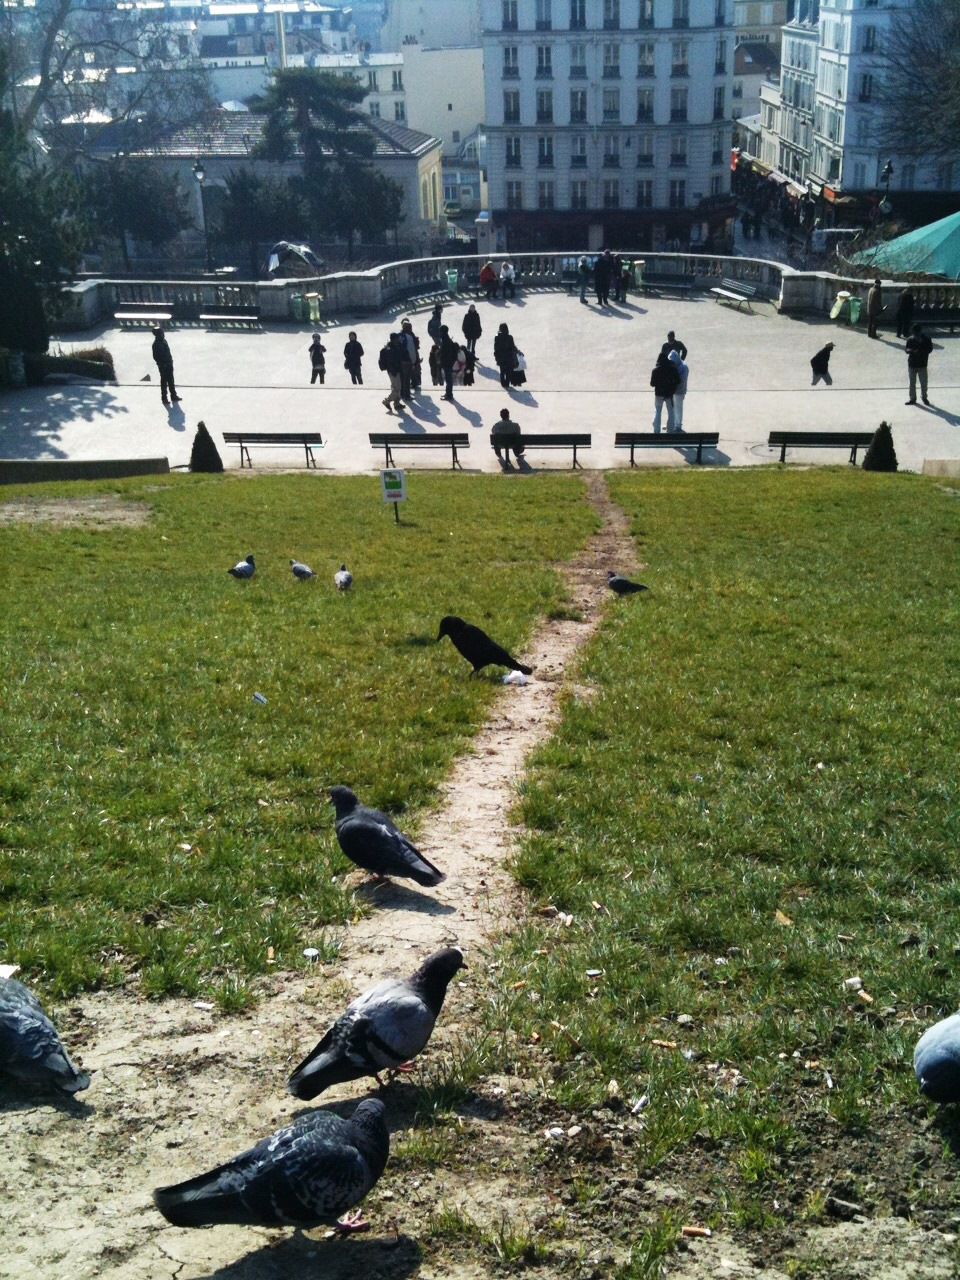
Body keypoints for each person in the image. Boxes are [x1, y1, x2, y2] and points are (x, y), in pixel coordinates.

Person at [650, 351, 680, 431]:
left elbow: (652, 384)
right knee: (671, 412)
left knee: (658, 411)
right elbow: (678, 381)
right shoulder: (672, 369)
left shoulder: (655, 371)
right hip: (669, 394)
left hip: (659, 394)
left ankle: (656, 430)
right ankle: (670, 430)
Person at [151, 327, 180, 406]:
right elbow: (156, 356)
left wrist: (170, 361)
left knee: (171, 380)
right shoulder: (156, 344)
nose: (163, 334)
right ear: (158, 334)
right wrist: (162, 364)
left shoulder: (163, 341)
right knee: (164, 381)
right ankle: (164, 398)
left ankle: (173, 395)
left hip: (169, 364)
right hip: (163, 366)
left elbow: (167, 352)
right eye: (161, 333)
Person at [905, 325, 933, 405]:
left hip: (922, 364)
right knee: (912, 383)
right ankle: (913, 398)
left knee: (924, 383)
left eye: (916, 333)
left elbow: (930, 349)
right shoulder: (910, 339)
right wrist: (912, 351)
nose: (915, 335)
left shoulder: (927, 339)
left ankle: (924, 397)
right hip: (912, 364)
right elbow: (906, 349)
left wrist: (921, 351)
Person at [379, 332, 405, 413]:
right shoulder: (389, 349)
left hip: (397, 370)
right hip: (393, 371)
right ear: (393, 339)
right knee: (396, 388)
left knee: (398, 387)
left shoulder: (396, 346)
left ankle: (397, 404)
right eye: (397, 338)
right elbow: (390, 362)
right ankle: (387, 401)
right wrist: (394, 371)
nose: (398, 339)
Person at [399, 318, 420, 399]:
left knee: (402, 378)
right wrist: (414, 361)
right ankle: (407, 395)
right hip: (408, 360)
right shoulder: (409, 337)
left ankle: (402, 393)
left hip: (400, 361)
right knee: (407, 378)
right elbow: (412, 350)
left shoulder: (399, 335)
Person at [667, 348, 689, 426]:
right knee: (673, 408)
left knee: (678, 408)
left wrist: (673, 380)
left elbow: (682, 380)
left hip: (680, 391)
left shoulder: (683, 367)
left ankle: (678, 424)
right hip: (673, 391)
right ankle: (673, 423)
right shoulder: (676, 366)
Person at [494, 322, 518, 389]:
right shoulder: (510, 337)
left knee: (502, 371)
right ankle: (507, 384)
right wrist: (516, 351)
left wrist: (496, 356)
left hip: (501, 357)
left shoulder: (497, 337)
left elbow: (496, 348)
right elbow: (512, 347)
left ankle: (503, 383)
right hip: (509, 357)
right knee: (508, 371)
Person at [438, 324, 459, 401]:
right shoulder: (446, 339)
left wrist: (441, 359)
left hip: (447, 363)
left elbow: (445, 353)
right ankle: (448, 393)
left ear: (443, 332)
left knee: (448, 379)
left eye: (440, 331)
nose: (439, 333)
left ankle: (449, 395)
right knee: (448, 379)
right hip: (448, 362)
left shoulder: (445, 340)